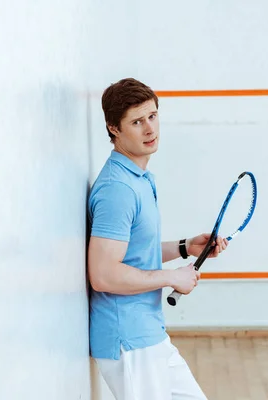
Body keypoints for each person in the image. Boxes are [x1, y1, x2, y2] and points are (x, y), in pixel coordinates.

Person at [87, 77, 229, 400]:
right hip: (129, 341)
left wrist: (184, 247)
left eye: (152, 116)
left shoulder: (138, 178)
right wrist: (172, 277)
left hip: (150, 334)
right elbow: (103, 273)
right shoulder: (118, 190)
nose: (150, 129)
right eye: (137, 122)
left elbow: (134, 252)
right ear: (114, 129)